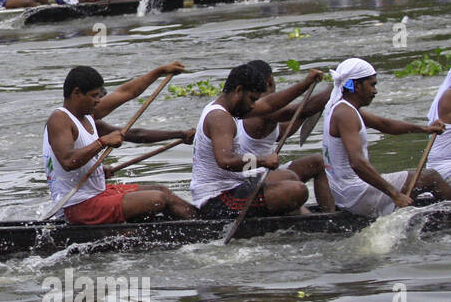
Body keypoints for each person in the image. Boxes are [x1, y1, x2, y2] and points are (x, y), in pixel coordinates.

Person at [43, 64, 196, 223]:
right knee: (159, 199)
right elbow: (68, 161)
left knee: (161, 190)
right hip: (78, 205)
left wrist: (180, 135)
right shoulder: (60, 120)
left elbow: (128, 98)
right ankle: (207, 229)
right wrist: (102, 142)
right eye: (94, 96)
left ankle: (204, 222)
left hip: (98, 193)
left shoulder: (88, 116)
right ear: (76, 93)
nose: (98, 100)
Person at [323, 58, 451, 216]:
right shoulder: (346, 114)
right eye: (372, 85)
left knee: (418, 179)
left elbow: (385, 125)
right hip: (357, 195)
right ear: (356, 85)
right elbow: (357, 163)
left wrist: (425, 129)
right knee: (431, 177)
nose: (375, 91)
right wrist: (395, 194)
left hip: (344, 193)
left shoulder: (340, 107)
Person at [191, 64, 309, 218]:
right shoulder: (220, 118)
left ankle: (293, 220)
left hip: (235, 186)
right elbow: (226, 161)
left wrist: (306, 84)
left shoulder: (225, 107)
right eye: (252, 99)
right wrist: (262, 161)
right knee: (298, 190)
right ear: (239, 90)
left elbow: (270, 104)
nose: (253, 106)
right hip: (216, 200)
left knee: (289, 176)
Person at [236, 62, 332, 209]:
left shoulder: (240, 105)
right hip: (248, 179)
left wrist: (306, 111)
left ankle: (328, 215)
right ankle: (322, 220)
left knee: (318, 162)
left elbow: (283, 130)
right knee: (289, 178)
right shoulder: (259, 110)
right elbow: (294, 111)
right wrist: (337, 85)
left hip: (259, 173)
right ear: (269, 82)